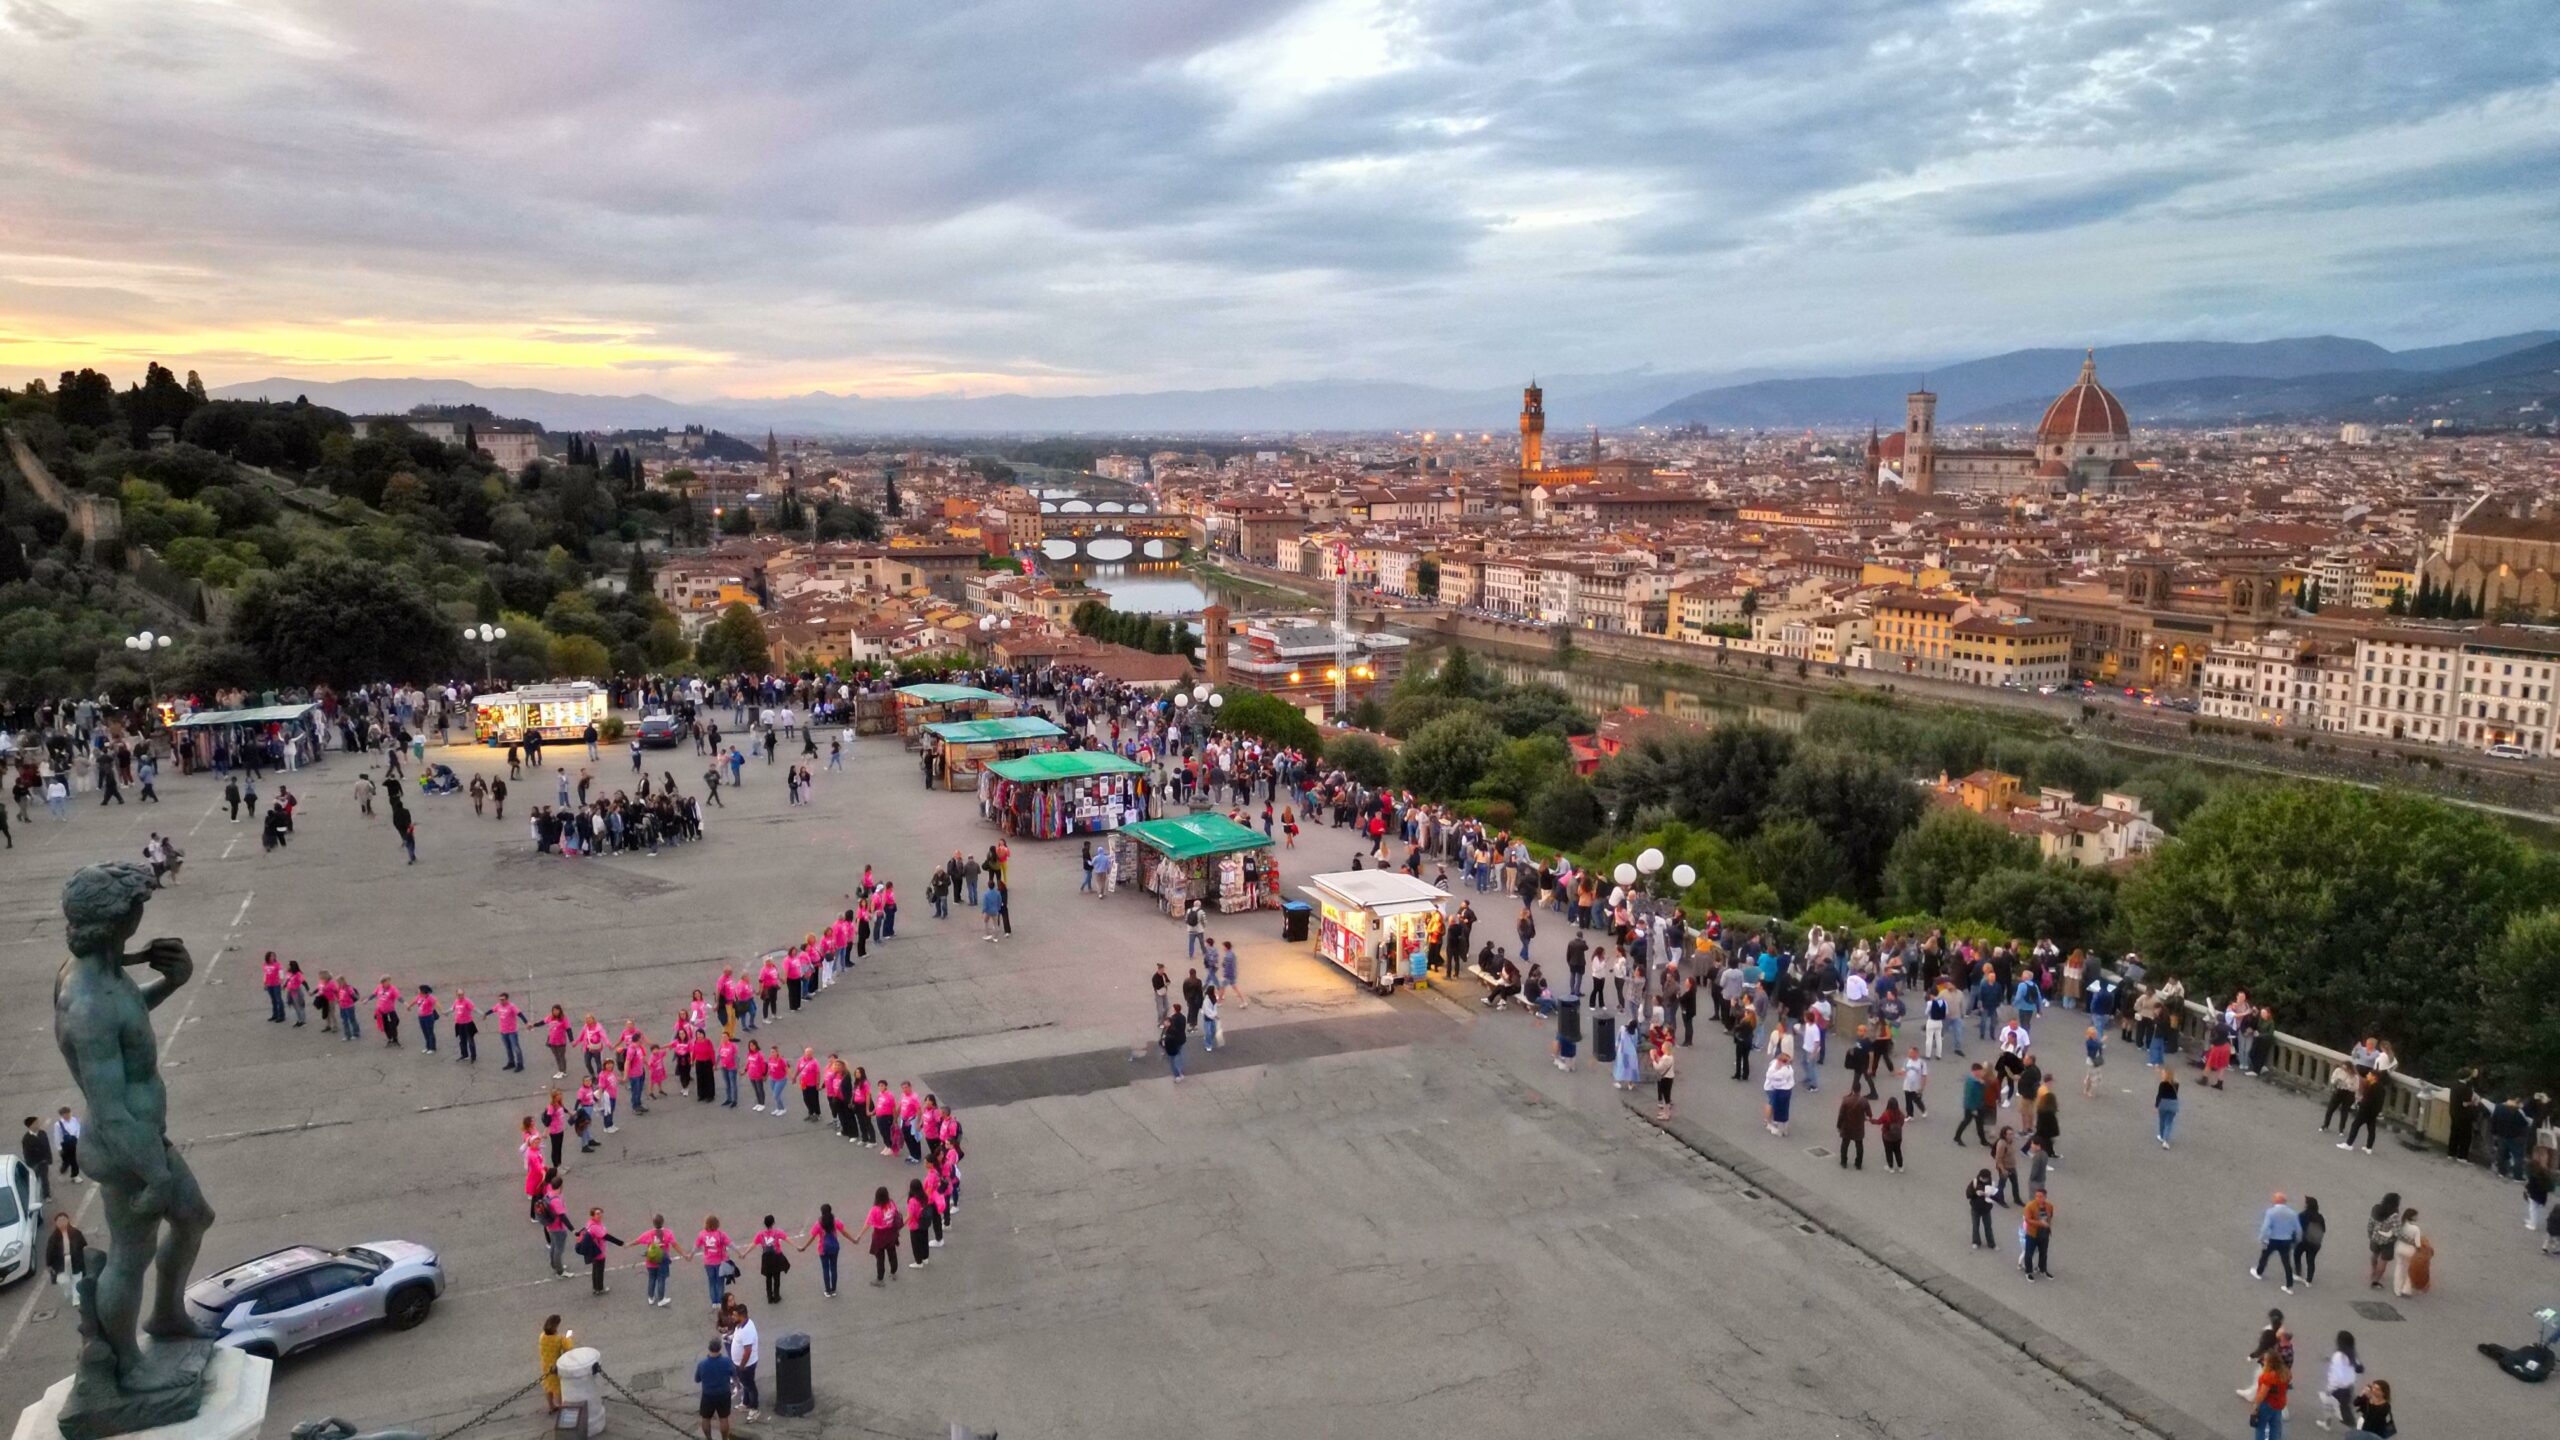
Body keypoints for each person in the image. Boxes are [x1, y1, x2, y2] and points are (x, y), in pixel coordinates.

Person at [2254, 1191, 2302, 1292]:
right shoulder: (2292, 1213)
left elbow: (2265, 1227)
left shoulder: (2271, 1212)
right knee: (2286, 1263)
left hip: (2273, 1240)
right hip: (2286, 1241)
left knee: (2265, 1256)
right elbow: (2298, 1229)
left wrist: (2262, 1238)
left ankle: (2259, 1272)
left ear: (2276, 1200)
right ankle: (2289, 1286)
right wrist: (2297, 1240)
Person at [694, 1336, 737, 1440]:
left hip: (708, 1395)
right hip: (724, 1394)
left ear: (709, 1348)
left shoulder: (702, 1364)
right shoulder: (727, 1361)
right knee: (723, 1418)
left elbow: (697, 1379)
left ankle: (709, 1438)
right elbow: (734, 1374)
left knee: (706, 1418)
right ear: (720, 1348)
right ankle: (724, 1438)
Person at [725, 1303, 762, 1422]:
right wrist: (730, 1338)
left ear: (742, 1316)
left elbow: (747, 1351)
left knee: (750, 1385)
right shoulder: (739, 1325)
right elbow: (737, 1337)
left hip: (747, 1365)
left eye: (735, 1315)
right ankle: (746, 1403)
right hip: (740, 1364)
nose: (732, 1317)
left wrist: (741, 1365)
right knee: (745, 1384)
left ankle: (754, 1408)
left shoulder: (747, 1329)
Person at [2320, 1331, 2363, 1432]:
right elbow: (2359, 1368)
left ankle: (2357, 1433)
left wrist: (2330, 1388)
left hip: (2338, 1389)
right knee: (2330, 1405)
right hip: (2348, 1388)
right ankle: (2327, 1424)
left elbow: (2336, 1376)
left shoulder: (2338, 1356)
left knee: (2344, 1413)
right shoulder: (2352, 1355)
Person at [2246, 1351, 2290, 1440]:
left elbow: (2262, 1394)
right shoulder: (2285, 1373)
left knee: (2260, 1428)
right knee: (2275, 1427)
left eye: (2265, 1360)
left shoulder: (2268, 1377)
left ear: (2270, 1363)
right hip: (2279, 1404)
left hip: (2267, 1405)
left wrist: (2256, 1406)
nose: (2263, 1361)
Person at [2364, 1193, 2401, 1289]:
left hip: (2375, 1238)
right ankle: (2375, 1281)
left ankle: (2373, 1270)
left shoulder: (2376, 1209)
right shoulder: (2394, 1215)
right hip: (2387, 1242)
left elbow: (2370, 1223)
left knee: (2375, 1254)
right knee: (2383, 1261)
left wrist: (2370, 1234)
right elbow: (2396, 1232)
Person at [2387, 1208, 2425, 1297]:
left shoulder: (2401, 1225)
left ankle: (2397, 1289)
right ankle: (2406, 1289)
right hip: (2410, 1251)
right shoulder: (2416, 1228)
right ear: (2412, 1217)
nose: (2417, 1217)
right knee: (2410, 1270)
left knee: (2399, 1267)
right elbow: (2418, 1243)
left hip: (2399, 1248)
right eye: (2416, 1215)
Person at [538, 1316, 574, 1410]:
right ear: (556, 1326)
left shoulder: (542, 1337)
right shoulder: (559, 1339)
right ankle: (562, 1407)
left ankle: (551, 1406)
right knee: (559, 1388)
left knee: (548, 1386)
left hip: (546, 1365)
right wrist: (568, 1337)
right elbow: (568, 1348)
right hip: (555, 1367)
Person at [2020, 1185, 2054, 1279]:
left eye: (2040, 1196)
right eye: (2036, 1196)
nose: (2038, 1198)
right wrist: (2040, 1223)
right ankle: (2028, 1271)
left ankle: (2042, 1269)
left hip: (2044, 1233)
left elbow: (2050, 1217)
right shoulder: (2030, 1206)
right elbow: (2027, 1220)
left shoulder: (2049, 1206)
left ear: (2045, 1197)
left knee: (2044, 1253)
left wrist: (2047, 1227)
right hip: (2032, 1234)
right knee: (2029, 1253)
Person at [20, 1115, 53, 1204]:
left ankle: (46, 1195)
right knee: (34, 1180)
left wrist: (49, 1159)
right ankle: (32, 1196)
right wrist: (30, 1165)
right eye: (35, 1123)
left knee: (45, 1179)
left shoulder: (42, 1133)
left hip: (43, 1162)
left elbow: (47, 1147)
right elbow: (26, 1153)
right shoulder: (26, 1139)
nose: (38, 1124)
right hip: (34, 1163)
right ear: (30, 1126)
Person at [2154, 1066, 2181, 1148]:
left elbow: (2159, 1095)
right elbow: (2176, 1094)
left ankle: (2162, 1136)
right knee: (2169, 1122)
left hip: (2163, 1104)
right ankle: (2165, 1140)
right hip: (2173, 1104)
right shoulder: (2176, 1084)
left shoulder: (2162, 1084)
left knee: (2162, 1121)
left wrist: (2156, 1105)